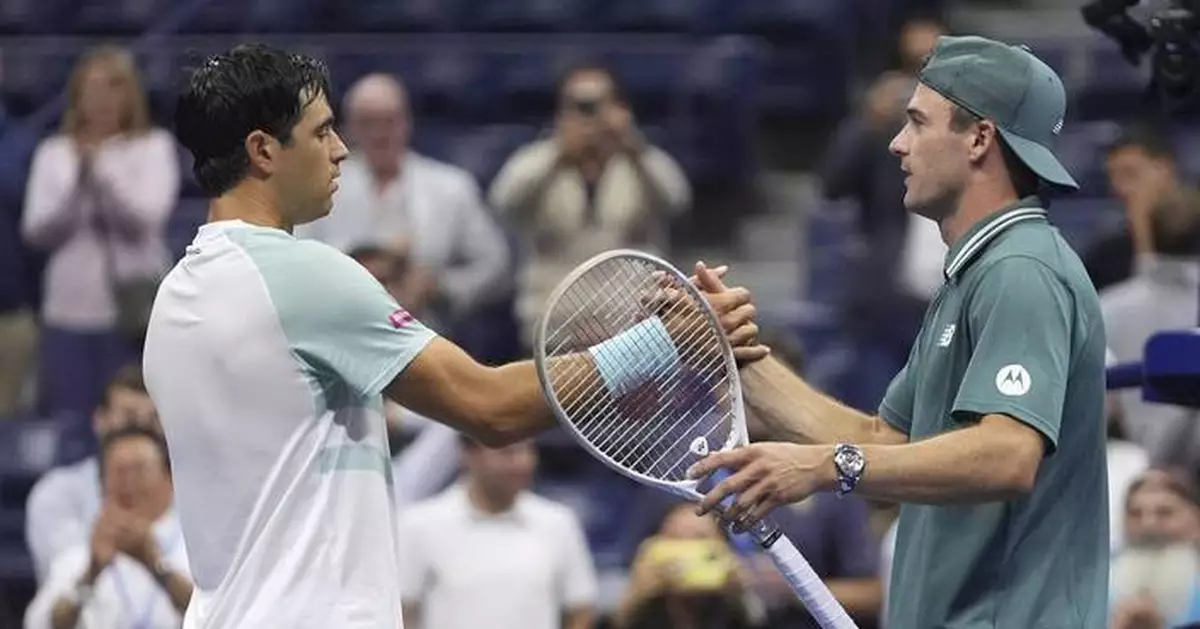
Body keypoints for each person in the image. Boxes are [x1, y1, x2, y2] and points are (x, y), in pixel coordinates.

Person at [144, 43, 762, 629]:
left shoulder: (172, 301)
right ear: (262, 150)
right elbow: (490, 408)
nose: (341, 152)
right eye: (322, 131)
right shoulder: (306, 273)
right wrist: (661, 343)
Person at [688, 35, 1109, 628]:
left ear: (980, 139)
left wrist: (826, 465)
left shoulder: (1022, 270)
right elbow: (883, 440)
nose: (896, 143)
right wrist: (731, 350)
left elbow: (1008, 455)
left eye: (915, 123)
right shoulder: (977, 275)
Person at [21, 44, 178, 419]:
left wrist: (103, 174)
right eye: (92, 88)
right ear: (77, 95)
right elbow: (36, 229)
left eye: (113, 87)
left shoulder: (153, 147)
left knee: (133, 418)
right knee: (71, 419)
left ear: (130, 94)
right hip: (68, 311)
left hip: (131, 313)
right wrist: (78, 184)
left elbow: (146, 219)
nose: (102, 98)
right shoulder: (54, 152)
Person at [398, 437, 596, 629]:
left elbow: (580, 608)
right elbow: (403, 610)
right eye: (508, 453)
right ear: (469, 454)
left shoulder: (559, 522)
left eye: (529, 451)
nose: (523, 462)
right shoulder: (419, 524)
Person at [24, 426, 191, 629]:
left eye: (139, 469)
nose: (129, 482)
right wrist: (91, 574)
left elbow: (221, 616)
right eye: (119, 471)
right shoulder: (78, 557)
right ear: (102, 484)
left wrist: (159, 569)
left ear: (169, 480)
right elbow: (43, 625)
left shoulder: (194, 549)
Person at [25, 365, 160, 582]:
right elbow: (62, 580)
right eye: (130, 417)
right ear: (100, 420)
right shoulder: (55, 492)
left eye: (153, 420)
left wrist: (159, 567)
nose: (141, 430)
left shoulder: (188, 496)